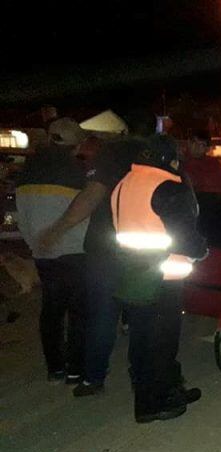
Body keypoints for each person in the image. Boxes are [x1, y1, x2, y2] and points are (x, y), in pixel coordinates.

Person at [38, 109, 157, 397]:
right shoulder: (159, 154)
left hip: (106, 247)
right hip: (146, 248)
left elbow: (92, 195)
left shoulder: (111, 153)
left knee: (103, 314)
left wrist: (59, 228)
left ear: (126, 128)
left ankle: (93, 379)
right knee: (143, 315)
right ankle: (142, 378)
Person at [111, 135, 207, 423]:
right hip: (164, 276)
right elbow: (186, 238)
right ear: (170, 160)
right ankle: (155, 401)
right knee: (162, 340)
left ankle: (163, 390)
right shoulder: (168, 187)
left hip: (133, 273)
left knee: (142, 339)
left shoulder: (123, 184)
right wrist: (202, 251)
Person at [15, 118, 88, 384]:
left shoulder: (27, 170)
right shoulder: (77, 171)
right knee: (79, 312)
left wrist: (34, 242)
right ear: (75, 144)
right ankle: (76, 369)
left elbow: (20, 215)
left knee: (52, 310)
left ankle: (55, 368)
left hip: (43, 252)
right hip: (74, 250)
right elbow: (85, 212)